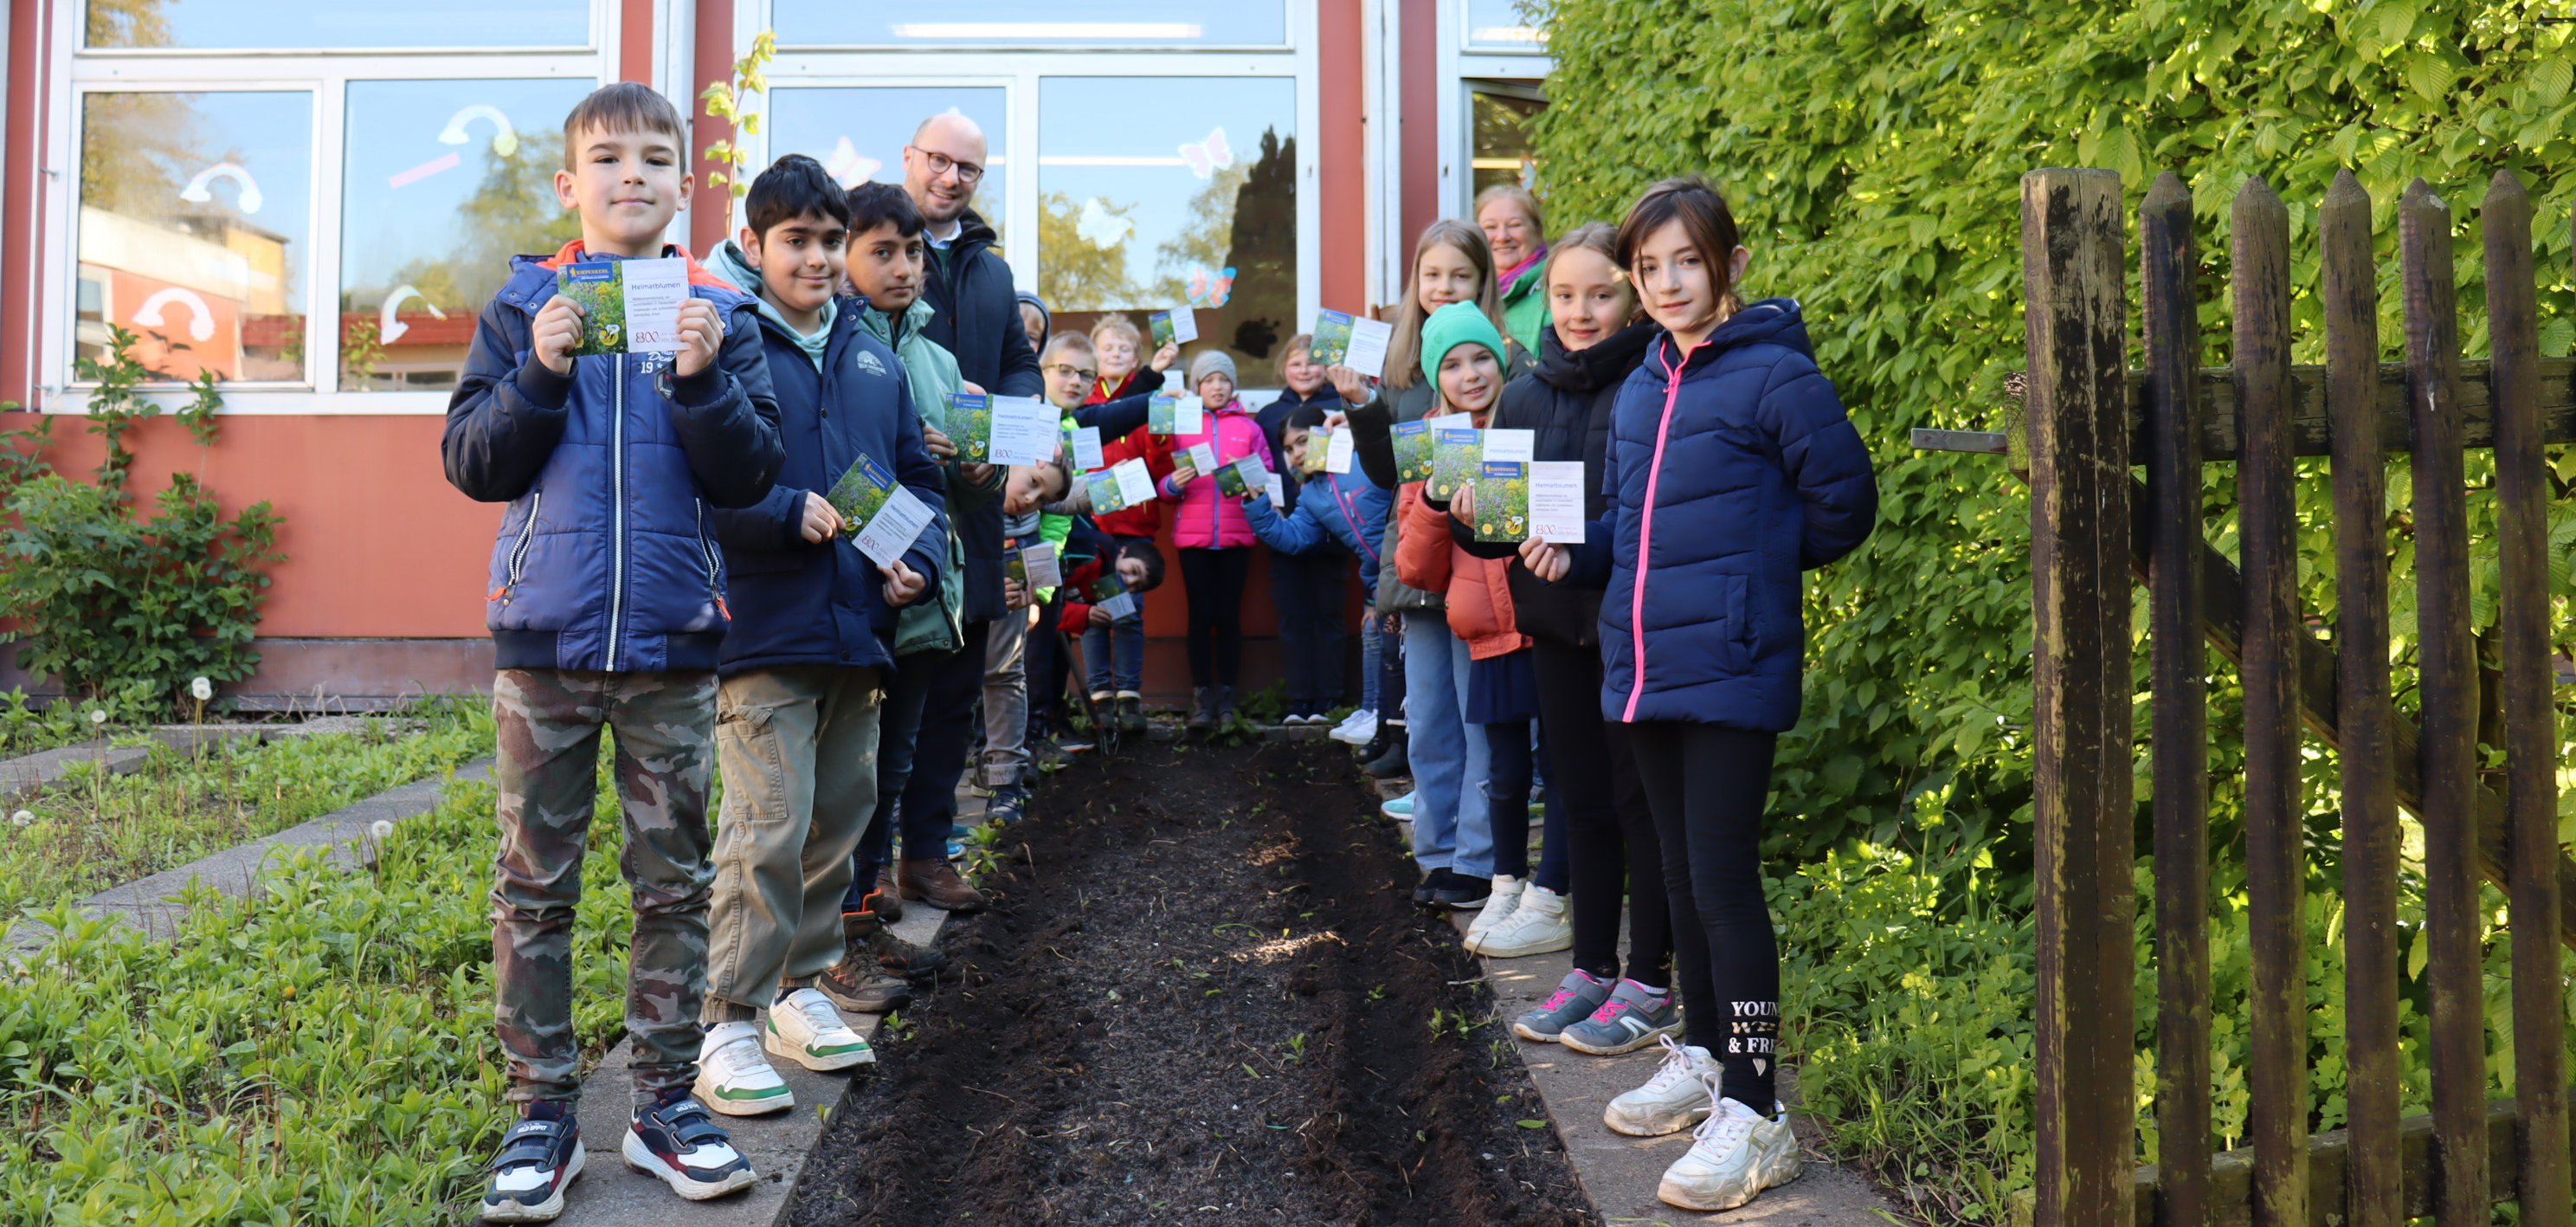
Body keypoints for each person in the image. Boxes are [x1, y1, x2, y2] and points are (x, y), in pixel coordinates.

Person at [444, 82, 782, 1220]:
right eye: (607, 158)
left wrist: (702, 381)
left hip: (673, 646)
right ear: (569, 184)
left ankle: (664, 1106)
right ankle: (541, 1111)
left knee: (674, 883)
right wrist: (539, 373)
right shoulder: (523, 305)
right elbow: (473, 462)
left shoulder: (717, 310)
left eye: (651, 158)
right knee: (533, 884)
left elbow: (752, 475)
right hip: (544, 642)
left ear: (683, 184)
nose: (630, 174)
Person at [1520, 177, 1877, 1213]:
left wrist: (1746, 580)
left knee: (1723, 884)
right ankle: (1713, 1058)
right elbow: (1633, 527)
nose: (1669, 283)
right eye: (1651, 267)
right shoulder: (1642, 384)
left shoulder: (1778, 376)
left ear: (1732, 265)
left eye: (1688, 261)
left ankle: (1758, 1108)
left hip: (1730, 663)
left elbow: (1845, 505)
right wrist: (1577, 553)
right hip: (1646, 667)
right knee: (1676, 881)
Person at [696, 156, 944, 1114]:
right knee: (768, 824)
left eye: (832, 241)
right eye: (796, 240)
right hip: (764, 628)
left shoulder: (873, 355)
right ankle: (727, 1019)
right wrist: (777, 513)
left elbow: (917, 478)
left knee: (838, 817)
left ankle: (798, 988)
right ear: (753, 244)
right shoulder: (726, 341)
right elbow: (695, 482)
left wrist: (913, 558)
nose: (818, 259)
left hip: (859, 628)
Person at [1450, 223, 1676, 1051]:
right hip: (1552, 627)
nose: (1581, 312)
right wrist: (1468, 515)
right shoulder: (1521, 395)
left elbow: (1655, 519)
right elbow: (1497, 535)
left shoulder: (1656, 381)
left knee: (1639, 803)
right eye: (1565, 294)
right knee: (1579, 799)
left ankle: (1649, 978)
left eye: (1601, 294)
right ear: (1544, 298)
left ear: (1633, 298)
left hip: (1632, 629)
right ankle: (1590, 968)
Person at [1324, 218, 1527, 911]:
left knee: (1480, 724)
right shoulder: (1404, 377)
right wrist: (1362, 407)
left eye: (1460, 275)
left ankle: (1475, 858)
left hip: (1488, 587)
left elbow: (1513, 512)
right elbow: (1399, 493)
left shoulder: (1516, 375)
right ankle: (1437, 853)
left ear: (1485, 282)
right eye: (1432, 275)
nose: (1444, 286)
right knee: (1432, 721)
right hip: (1422, 581)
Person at [889, 112, 1043, 914]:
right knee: (886, 704)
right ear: (909, 158)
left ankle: (927, 854)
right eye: (939, 160)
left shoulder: (991, 271)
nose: (951, 178)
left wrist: (1005, 449)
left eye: (969, 168)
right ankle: (864, 868)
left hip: (974, 509)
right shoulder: (873, 246)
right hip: (892, 507)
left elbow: (1022, 368)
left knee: (954, 698)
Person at [1395, 302, 1563, 954]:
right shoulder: (1428, 441)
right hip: (1480, 622)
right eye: (1453, 364)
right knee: (1467, 743)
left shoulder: (1531, 419)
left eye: (1481, 358)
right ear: (1435, 376)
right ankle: (1465, 867)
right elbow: (1416, 566)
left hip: (1539, 616)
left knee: (1526, 758)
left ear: (1502, 360)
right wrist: (1436, 500)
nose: (1470, 374)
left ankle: (1503, 873)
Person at [833, 180, 964, 982]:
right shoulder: (837, 345)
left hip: (917, 586)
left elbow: (944, 481)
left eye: (913, 251)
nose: (904, 268)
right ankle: (841, 912)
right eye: (882, 251)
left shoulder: (936, 358)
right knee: (849, 763)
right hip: (849, 587)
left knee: (896, 759)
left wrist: (974, 464)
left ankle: (868, 892)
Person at [1244, 405, 1388, 744]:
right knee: (1372, 634)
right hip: (1378, 578)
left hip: (1407, 568)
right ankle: (1372, 710)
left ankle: (1385, 715)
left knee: (1396, 644)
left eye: (1303, 441)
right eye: (1289, 448)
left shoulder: (1364, 460)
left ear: (1327, 434)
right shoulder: (1311, 494)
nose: (1296, 453)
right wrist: (1258, 505)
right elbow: (1294, 538)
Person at [1158, 350, 1278, 732]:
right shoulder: (1182, 425)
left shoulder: (1248, 428)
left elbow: (1268, 476)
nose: (1217, 386)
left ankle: (1227, 698)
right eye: (1209, 380)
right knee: (1199, 617)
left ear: (1233, 386)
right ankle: (1201, 698)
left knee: (1228, 617)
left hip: (1237, 536)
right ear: (1197, 386)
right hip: (1193, 540)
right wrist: (1172, 484)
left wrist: (1253, 482)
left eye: (1224, 380)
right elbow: (1162, 483)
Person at [1080, 313, 1175, 729]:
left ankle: (1129, 696)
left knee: (1130, 611)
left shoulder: (1151, 400)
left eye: (1124, 348)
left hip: (1135, 523)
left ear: (1137, 358)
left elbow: (1161, 467)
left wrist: (1160, 437)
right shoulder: (1084, 397)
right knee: (1096, 608)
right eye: (1108, 347)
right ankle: (1100, 695)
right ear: (1095, 355)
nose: (1116, 354)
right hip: (1093, 522)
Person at [1253, 334, 1349, 727]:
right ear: (1284, 369)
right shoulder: (1269, 414)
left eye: (1312, 362)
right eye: (1296, 364)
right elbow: (1260, 463)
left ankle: (1330, 699)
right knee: (1293, 616)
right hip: (1285, 529)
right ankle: (1299, 700)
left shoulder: (1339, 408)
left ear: (1326, 367)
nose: (1304, 370)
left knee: (1329, 615)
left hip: (1332, 530)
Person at [1478, 184, 1550, 353]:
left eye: (1515, 225)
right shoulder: (1466, 293)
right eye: (1490, 227)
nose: (1502, 237)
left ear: (1537, 231)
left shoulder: (1556, 288)